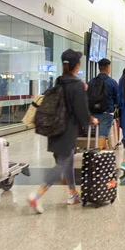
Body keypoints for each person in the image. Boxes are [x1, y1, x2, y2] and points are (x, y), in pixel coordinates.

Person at [29, 49, 96, 214]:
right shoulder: (77, 85)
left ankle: (72, 193)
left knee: (68, 162)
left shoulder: (59, 81)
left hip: (54, 128)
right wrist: (90, 120)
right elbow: (81, 110)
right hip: (67, 130)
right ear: (77, 66)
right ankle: (37, 195)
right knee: (62, 165)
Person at [88, 58, 119, 149]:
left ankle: (103, 152)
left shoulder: (91, 82)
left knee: (101, 134)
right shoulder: (112, 82)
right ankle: (97, 154)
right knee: (103, 134)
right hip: (107, 112)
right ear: (108, 68)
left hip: (93, 112)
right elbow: (117, 98)